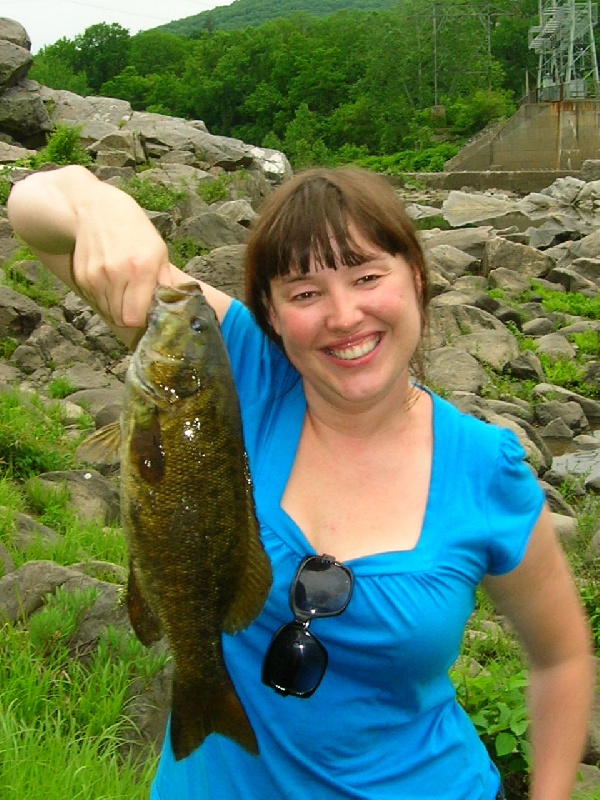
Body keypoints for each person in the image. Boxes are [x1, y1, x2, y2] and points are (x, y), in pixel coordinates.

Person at [7, 164, 594, 800]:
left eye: (368, 276)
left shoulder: (486, 470)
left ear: (418, 278)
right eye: (305, 292)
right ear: (273, 316)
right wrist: (99, 203)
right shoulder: (233, 364)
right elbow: (33, 207)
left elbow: (561, 659)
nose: (345, 315)